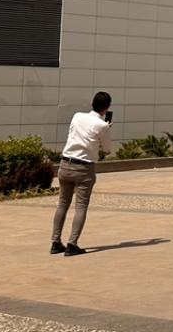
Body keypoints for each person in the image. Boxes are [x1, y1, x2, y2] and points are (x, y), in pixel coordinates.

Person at [51, 91, 113, 256]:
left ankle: (55, 242)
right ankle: (72, 244)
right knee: (81, 206)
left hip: (65, 164)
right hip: (84, 168)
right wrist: (106, 129)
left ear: (92, 103)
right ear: (107, 108)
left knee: (62, 204)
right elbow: (107, 149)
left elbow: (74, 133)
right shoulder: (102, 126)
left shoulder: (77, 116)